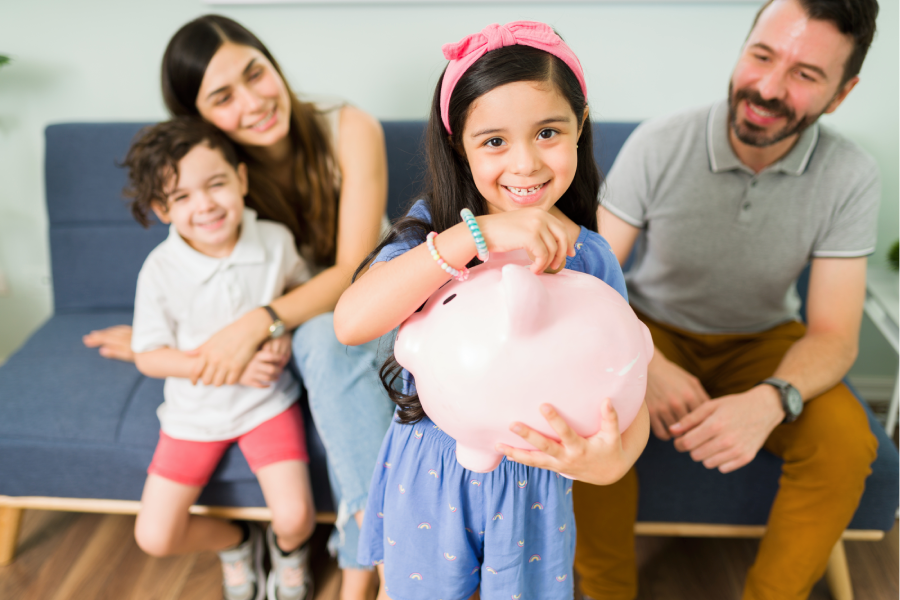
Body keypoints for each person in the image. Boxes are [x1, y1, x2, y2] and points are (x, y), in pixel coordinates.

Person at [573, 1, 881, 599]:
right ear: (743, 51)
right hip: (650, 327)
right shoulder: (661, 142)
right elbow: (588, 286)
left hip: (764, 341)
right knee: (587, 405)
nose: (768, 88)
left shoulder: (851, 175)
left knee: (846, 441)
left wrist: (772, 399)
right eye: (762, 56)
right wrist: (646, 362)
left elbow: (835, 334)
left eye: (805, 74)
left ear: (841, 94)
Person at [334, 22, 650, 600]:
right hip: (428, 475)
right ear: (459, 145)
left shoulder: (589, 257)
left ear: (580, 126)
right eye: (494, 141)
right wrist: (477, 235)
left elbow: (629, 382)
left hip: (536, 484)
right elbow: (351, 323)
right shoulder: (432, 233)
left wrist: (613, 461)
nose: (525, 164)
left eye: (548, 132)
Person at [83, 15, 394, 598]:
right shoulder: (214, 180)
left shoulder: (349, 128)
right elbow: (200, 279)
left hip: (366, 310)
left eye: (255, 73)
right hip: (295, 334)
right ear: (198, 119)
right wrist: (171, 347)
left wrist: (260, 323)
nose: (254, 102)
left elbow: (353, 274)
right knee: (317, 341)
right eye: (223, 97)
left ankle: (364, 566)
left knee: (326, 339)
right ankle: (374, 556)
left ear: (271, 62)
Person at [126, 118, 315, 600]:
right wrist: (227, 367)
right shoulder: (160, 270)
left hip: (266, 405)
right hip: (193, 416)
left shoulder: (273, 240)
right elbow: (149, 356)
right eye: (182, 196)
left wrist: (281, 330)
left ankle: (288, 554)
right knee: (155, 536)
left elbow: (300, 295)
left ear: (241, 179)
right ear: (161, 209)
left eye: (216, 184)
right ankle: (237, 542)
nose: (205, 204)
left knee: (296, 518)